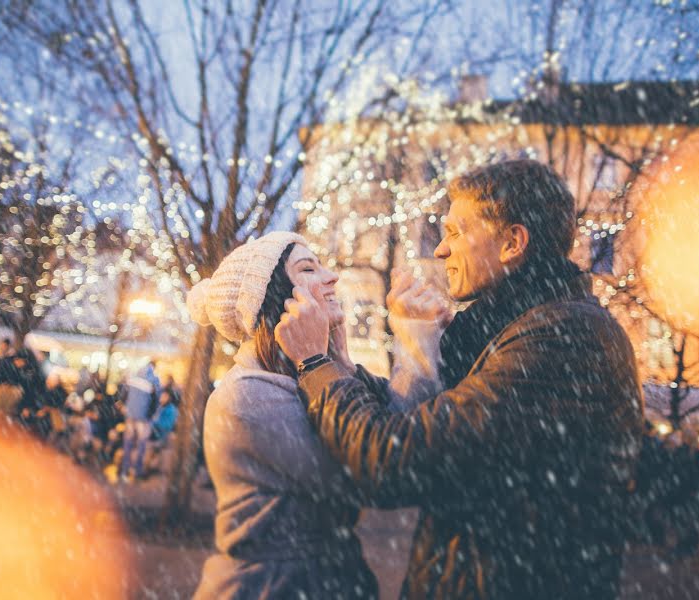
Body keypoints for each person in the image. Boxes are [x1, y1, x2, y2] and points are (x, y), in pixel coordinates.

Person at [275, 160, 645, 599]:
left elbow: (393, 460)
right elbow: (411, 412)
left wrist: (315, 364)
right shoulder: (509, 329)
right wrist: (354, 358)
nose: (440, 251)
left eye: (454, 233)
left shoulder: (565, 339)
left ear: (512, 243)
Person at [187, 231, 446, 600]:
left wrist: (340, 363)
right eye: (308, 268)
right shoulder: (246, 394)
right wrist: (333, 363)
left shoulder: (308, 377)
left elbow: (393, 430)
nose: (331, 277)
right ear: (276, 299)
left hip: (332, 580)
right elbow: (372, 470)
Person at [118, 361, 161, 482]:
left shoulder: (134, 376)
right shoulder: (154, 379)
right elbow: (157, 400)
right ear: (154, 367)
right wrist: (152, 415)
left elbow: (124, 392)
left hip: (130, 415)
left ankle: (124, 471)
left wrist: (126, 407)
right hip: (144, 418)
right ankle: (137, 471)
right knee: (141, 445)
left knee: (128, 443)